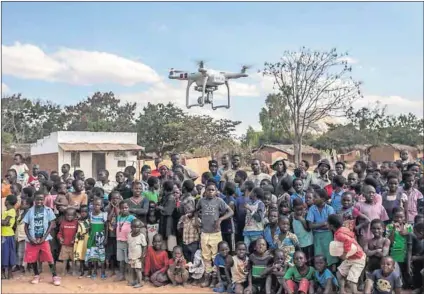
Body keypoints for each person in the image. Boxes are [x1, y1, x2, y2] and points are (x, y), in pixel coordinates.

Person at [196, 180, 233, 287]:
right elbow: (196, 210)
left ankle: (214, 277)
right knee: (206, 256)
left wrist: (221, 219)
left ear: (216, 191)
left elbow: (231, 212)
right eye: (208, 190)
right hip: (204, 233)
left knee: (215, 257)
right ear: (205, 191)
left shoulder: (219, 201)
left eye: (213, 190)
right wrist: (195, 219)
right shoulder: (201, 201)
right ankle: (207, 277)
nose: (211, 192)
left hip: (215, 233)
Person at [23, 193, 60, 285]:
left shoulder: (48, 210)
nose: (39, 201)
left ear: (44, 200)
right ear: (34, 200)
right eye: (37, 199)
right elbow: (26, 226)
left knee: (49, 258)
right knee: (33, 258)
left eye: (41, 199)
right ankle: (36, 275)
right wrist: (30, 238)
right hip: (32, 239)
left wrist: (44, 237)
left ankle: (55, 276)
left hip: (44, 239)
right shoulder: (30, 211)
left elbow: (51, 224)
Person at [328, 214, 366, 294]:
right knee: (339, 274)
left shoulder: (339, 234)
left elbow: (348, 241)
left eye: (327, 223)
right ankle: (342, 291)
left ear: (331, 226)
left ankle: (357, 292)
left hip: (358, 258)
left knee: (352, 282)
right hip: (352, 257)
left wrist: (345, 254)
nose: (326, 224)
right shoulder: (341, 230)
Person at [306, 188, 338, 269]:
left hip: (328, 235)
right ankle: (320, 276)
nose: (313, 199)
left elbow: (329, 225)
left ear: (323, 199)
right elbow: (310, 226)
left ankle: (332, 275)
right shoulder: (312, 208)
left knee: (331, 256)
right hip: (317, 236)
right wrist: (323, 223)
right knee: (319, 256)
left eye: (315, 197)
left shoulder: (329, 209)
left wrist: (317, 224)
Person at [385, 207, 413, 285]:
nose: (399, 219)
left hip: (407, 253)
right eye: (396, 217)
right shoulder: (389, 226)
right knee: (397, 273)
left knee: (407, 273)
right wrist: (394, 229)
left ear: (404, 217)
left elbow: (414, 238)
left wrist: (408, 233)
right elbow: (390, 241)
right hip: (395, 253)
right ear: (393, 217)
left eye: (401, 217)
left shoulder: (409, 227)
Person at [85, 198, 108, 280]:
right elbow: (89, 225)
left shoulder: (104, 215)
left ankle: (103, 272)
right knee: (93, 255)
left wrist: (105, 238)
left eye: (98, 205)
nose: (96, 206)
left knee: (101, 255)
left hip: (100, 237)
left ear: (101, 205)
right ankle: (94, 271)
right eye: (94, 204)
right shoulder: (90, 214)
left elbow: (106, 226)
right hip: (92, 237)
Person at [115, 201, 136, 281]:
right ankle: (122, 274)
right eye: (122, 208)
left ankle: (129, 274)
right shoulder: (119, 217)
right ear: (120, 209)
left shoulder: (132, 217)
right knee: (121, 260)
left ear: (129, 208)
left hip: (128, 242)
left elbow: (139, 224)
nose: (124, 209)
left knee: (128, 260)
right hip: (119, 241)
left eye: (126, 208)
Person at [57, 207, 78, 276]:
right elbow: (59, 233)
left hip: (73, 245)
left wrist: (75, 239)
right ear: (65, 215)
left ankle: (74, 270)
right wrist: (60, 238)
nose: (69, 216)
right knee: (64, 259)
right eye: (68, 215)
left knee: (73, 260)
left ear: (75, 216)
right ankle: (63, 271)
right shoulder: (63, 223)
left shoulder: (76, 223)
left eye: (71, 215)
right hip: (64, 245)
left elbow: (78, 233)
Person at [157, 180, 177, 254]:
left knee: (170, 244)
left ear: (165, 188)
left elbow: (168, 211)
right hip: (164, 222)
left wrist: (159, 207)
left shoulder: (170, 198)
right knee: (164, 245)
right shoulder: (165, 197)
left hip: (169, 223)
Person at [292, 198, 314, 263]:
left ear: (304, 207)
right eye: (297, 210)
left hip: (309, 243)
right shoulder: (292, 217)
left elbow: (308, 229)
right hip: (299, 245)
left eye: (301, 209)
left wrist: (302, 219)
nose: (299, 212)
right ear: (293, 208)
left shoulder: (306, 215)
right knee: (302, 262)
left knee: (309, 262)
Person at [127, 218, 147, 288]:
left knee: (138, 270)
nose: (136, 229)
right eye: (134, 227)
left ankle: (140, 282)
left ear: (140, 228)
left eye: (138, 227)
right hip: (131, 256)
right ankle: (134, 281)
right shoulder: (129, 235)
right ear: (131, 227)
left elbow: (144, 246)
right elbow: (128, 245)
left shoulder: (141, 236)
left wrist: (143, 255)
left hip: (138, 257)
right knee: (132, 269)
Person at [105, 191, 121, 276]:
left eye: (117, 198)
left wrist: (116, 208)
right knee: (110, 251)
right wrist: (113, 209)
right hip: (110, 233)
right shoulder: (107, 208)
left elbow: (119, 217)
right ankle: (111, 268)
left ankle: (118, 267)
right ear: (110, 199)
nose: (115, 200)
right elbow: (107, 219)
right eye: (113, 198)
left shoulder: (122, 208)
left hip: (119, 233)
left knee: (117, 250)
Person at [1, 195, 18, 279]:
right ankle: (3, 273)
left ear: (7, 202)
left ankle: (9, 273)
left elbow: (5, 222)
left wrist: (3, 222)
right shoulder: (5, 211)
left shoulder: (11, 211)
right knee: (3, 254)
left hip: (8, 235)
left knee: (9, 254)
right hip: (3, 234)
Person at [15, 197, 33, 274]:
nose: (21, 204)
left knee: (26, 251)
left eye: (23, 203)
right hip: (20, 235)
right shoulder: (21, 212)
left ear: (28, 205)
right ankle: (19, 265)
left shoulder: (30, 213)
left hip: (26, 235)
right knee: (20, 251)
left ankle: (25, 266)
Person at [73, 205, 90, 278]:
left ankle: (89, 271)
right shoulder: (78, 221)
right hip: (80, 240)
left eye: (85, 212)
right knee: (80, 255)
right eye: (82, 212)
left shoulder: (90, 220)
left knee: (89, 255)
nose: (83, 213)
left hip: (87, 239)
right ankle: (82, 271)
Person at [220, 182, 236, 252]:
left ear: (226, 190)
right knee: (225, 242)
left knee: (231, 245)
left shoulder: (232, 201)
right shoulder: (223, 199)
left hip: (230, 225)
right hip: (224, 224)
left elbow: (230, 213)